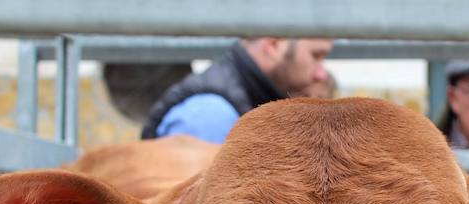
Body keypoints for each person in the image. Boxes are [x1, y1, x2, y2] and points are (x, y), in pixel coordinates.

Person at [142, 38, 333, 143]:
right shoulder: (209, 116)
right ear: (274, 45)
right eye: (316, 56)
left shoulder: (249, 104)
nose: (321, 74)